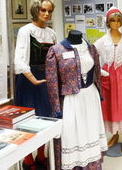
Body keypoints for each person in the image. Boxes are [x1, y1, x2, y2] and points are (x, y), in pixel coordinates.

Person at [46, 30, 108, 169]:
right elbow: (52, 82)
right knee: (72, 136)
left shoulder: (91, 48)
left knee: (90, 131)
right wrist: (56, 107)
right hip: (71, 100)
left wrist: (100, 94)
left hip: (91, 97)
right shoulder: (56, 50)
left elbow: (97, 72)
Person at [14, 0, 56, 170]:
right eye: (43, 10)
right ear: (35, 10)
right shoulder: (25, 30)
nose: (46, 14)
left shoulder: (51, 33)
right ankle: (28, 159)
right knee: (28, 121)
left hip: (46, 79)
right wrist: (34, 79)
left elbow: (55, 57)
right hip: (28, 80)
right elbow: (19, 60)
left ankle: (41, 155)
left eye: (49, 11)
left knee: (45, 118)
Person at [94, 7, 122, 153]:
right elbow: (92, 57)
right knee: (111, 106)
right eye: (113, 20)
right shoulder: (101, 41)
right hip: (107, 77)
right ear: (108, 21)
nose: (116, 23)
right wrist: (99, 70)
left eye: (118, 20)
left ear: (121, 21)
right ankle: (115, 134)